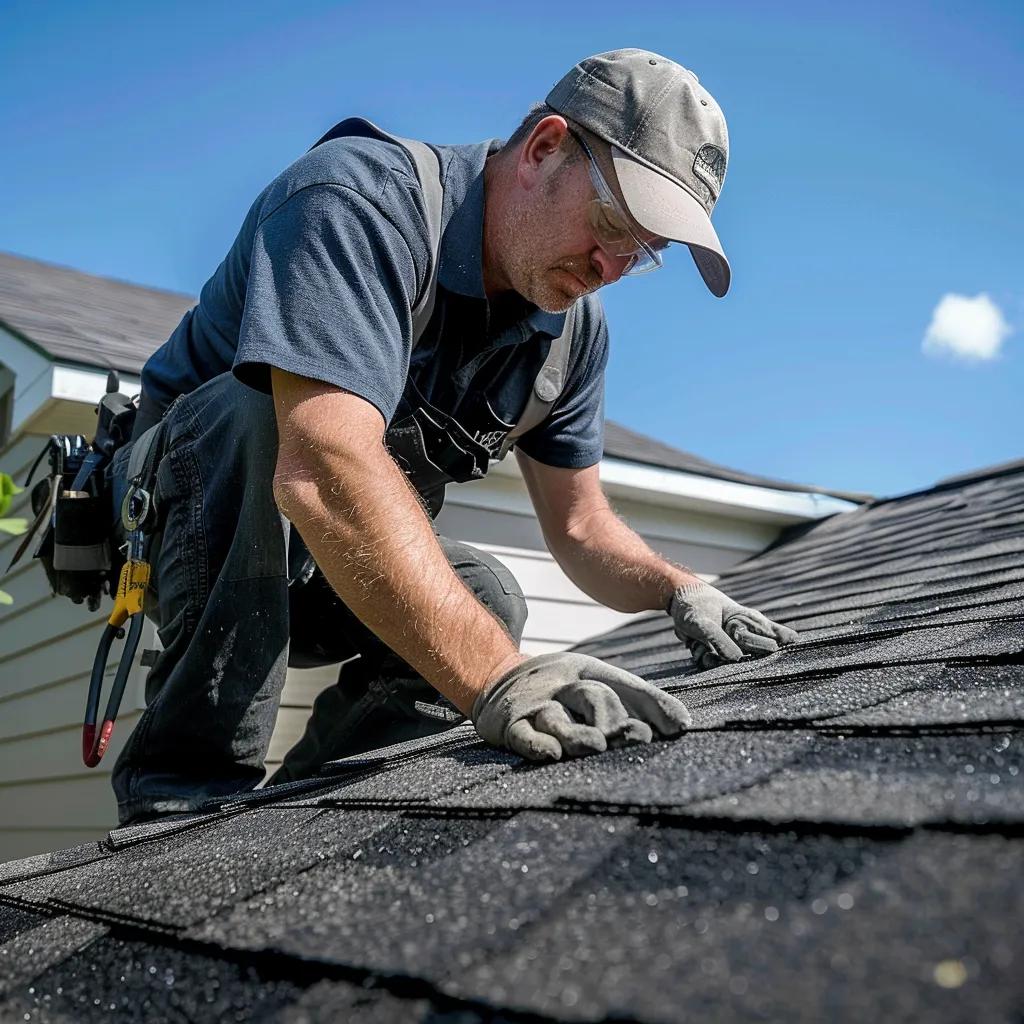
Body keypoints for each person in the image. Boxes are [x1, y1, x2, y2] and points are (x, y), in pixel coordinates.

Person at [110, 48, 797, 825]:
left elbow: (580, 526)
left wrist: (680, 588)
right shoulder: (359, 201)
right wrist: (501, 679)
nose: (610, 265)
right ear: (543, 148)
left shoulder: (568, 337)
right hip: (191, 533)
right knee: (269, 415)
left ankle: (311, 810)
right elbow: (323, 464)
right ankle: (182, 797)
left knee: (489, 594)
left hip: (329, 567)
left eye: (641, 255)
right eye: (612, 224)